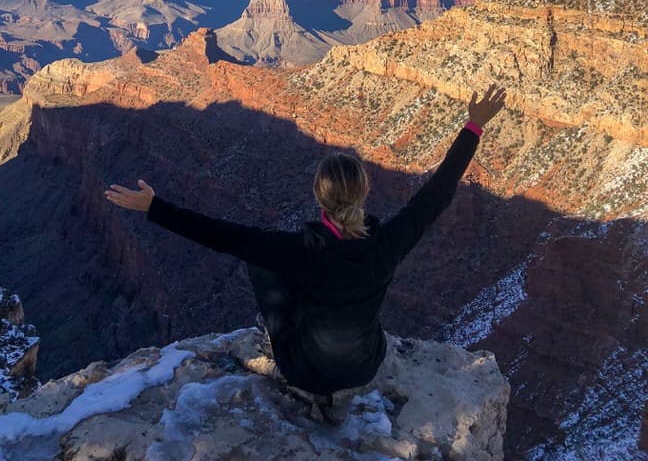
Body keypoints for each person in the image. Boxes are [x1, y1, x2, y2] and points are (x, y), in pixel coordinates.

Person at [105, 82, 506, 421]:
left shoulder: (298, 250)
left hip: (303, 371)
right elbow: (438, 193)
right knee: (285, 264)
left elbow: (219, 235)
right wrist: (473, 126)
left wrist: (154, 207)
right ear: (365, 192)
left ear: (318, 196)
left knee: (257, 257)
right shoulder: (389, 242)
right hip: (364, 366)